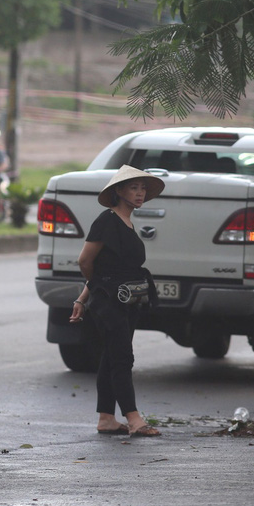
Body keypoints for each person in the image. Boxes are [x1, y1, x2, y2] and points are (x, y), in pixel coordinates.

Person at [69, 165, 165, 438]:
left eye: (142, 188)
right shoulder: (106, 220)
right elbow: (86, 262)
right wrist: (100, 290)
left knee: (111, 357)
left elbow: (103, 269)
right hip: (110, 303)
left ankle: (107, 418)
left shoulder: (128, 222)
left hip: (127, 301)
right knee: (123, 357)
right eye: (133, 187)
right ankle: (134, 419)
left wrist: (83, 296)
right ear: (119, 191)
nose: (139, 193)